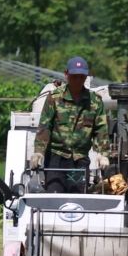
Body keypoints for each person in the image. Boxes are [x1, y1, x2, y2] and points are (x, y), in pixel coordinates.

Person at [30, 57, 110, 193]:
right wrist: (38, 152)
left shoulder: (95, 101)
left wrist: (103, 154)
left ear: (86, 77)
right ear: (66, 74)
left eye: (81, 77)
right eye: (74, 77)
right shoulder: (54, 98)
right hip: (56, 157)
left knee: (77, 198)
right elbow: (44, 127)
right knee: (54, 196)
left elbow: (100, 129)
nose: (78, 81)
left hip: (80, 160)